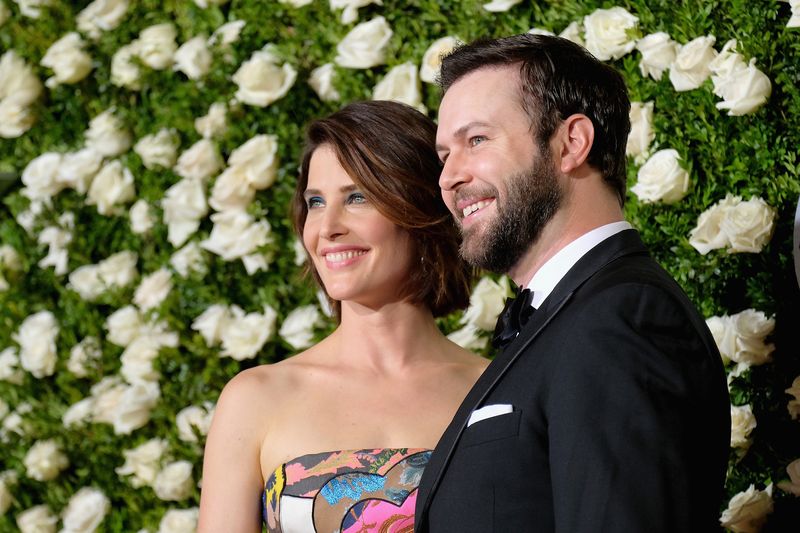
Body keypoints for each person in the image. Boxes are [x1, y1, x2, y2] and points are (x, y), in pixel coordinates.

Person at [415, 34, 730, 532]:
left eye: (476, 140)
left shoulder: (621, 318)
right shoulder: (572, 314)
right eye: (444, 155)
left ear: (570, 143)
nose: (448, 177)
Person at [197, 100, 488, 533]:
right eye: (315, 202)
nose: (326, 227)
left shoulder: (497, 390)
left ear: (420, 210)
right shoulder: (256, 399)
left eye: (357, 197)